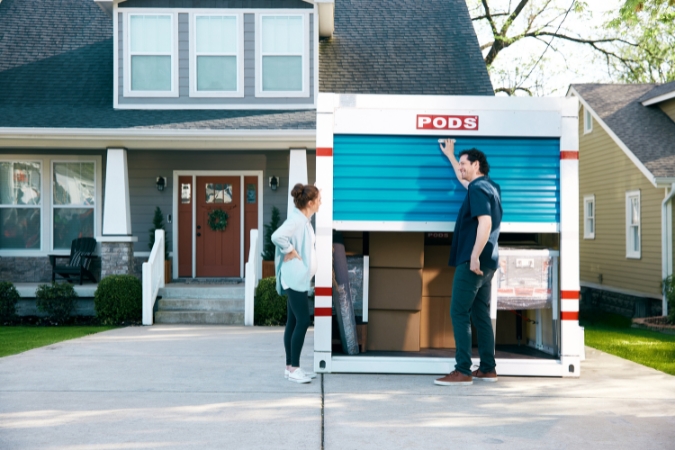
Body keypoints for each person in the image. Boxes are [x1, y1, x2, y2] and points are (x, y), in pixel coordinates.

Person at [435, 139, 502, 386]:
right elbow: (464, 181)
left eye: (464, 164)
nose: (461, 168)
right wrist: (452, 156)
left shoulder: (477, 189)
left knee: (458, 311)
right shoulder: (490, 186)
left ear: (476, 164)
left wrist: (473, 255)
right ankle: (488, 368)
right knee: (480, 314)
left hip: (474, 261)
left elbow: (484, 223)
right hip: (490, 261)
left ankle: (463, 370)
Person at [272, 183, 322, 384]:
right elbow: (277, 236)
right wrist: (289, 249)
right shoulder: (297, 220)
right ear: (310, 202)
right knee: (302, 321)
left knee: (293, 322)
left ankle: (289, 367)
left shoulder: (304, 220)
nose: (320, 203)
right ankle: (294, 369)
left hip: (298, 278)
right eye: (318, 200)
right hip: (293, 278)